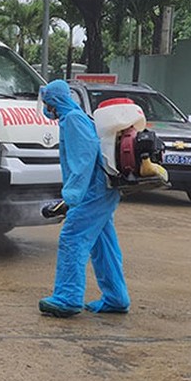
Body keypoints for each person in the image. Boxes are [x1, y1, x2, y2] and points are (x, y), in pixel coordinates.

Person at [38, 79, 130, 317]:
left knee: (72, 237)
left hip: (93, 191)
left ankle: (67, 298)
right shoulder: (76, 117)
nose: (46, 108)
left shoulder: (73, 120)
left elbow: (84, 158)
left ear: (53, 101)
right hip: (102, 190)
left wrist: (71, 197)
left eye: (47, 102)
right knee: (103, 244)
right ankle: (116, 297)